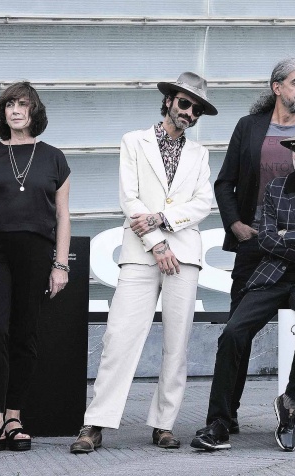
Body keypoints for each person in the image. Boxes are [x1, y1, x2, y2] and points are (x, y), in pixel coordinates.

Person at [70, 72, 217, 453]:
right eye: (184, 103)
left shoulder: (200, 154)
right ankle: (95, 423)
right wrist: (157, 243)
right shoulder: (133, 141)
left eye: (196, 109)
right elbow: (130, 198)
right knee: (119, 336)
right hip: (140, 252)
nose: (189, 112)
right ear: (168, 101)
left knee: (177, 343)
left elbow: (203, 203)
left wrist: (163, 219)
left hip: (185, 255)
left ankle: (164, 424)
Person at [192, 120, 295, 453]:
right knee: (233, 332)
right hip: (273, 275)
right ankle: (219, 423)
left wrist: (288, 236)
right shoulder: (276, 188)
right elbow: (266, 239)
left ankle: (290, 402)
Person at [214, 57, 295, 433]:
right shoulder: (248, 127)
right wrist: (236, 225)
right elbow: (224, 183)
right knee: (237, 330)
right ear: (277, 87)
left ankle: (292, 402)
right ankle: (225, 416)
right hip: (254, 246)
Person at [0, 81, 71, 455]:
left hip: (36, 252)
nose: (16, 110)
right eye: (9, 104)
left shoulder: (54, 157)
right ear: (2, 112)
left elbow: (63, 215)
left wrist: (60, 264)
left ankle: (13, 418)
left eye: (23, 104)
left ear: (34, 111)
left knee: (25, 333)